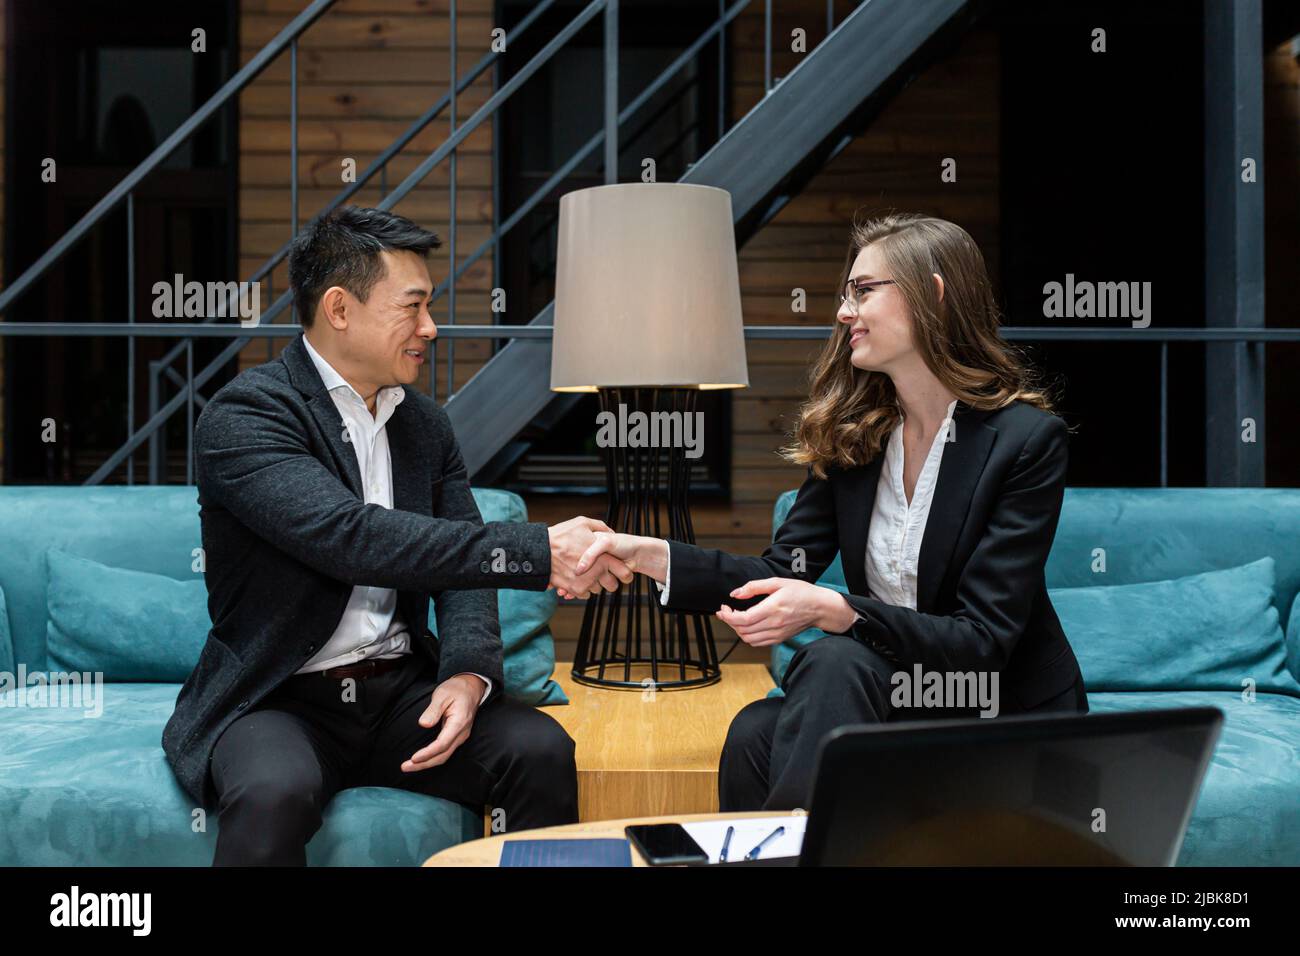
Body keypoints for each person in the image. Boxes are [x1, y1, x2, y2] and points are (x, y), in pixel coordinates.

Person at [568, 212, 1088, 812]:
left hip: (993, 700)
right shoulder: (855, 438)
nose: (844, 312)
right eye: (846, 294)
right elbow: (779, 572)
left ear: (934, 294)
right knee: (752, 734)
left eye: (863, 291)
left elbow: (982, 642)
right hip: (892, 691)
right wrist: (651, 555)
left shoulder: (1026, 442)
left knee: (834, 657)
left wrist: (835, 609)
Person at [161, 206, 631, 865]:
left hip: (397, 690)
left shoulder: (424, 426)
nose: (430, 329)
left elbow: (460, 560)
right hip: (280, 697)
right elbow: (349, 537)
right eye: (412, 308)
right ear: (339, 308)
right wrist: (537, 551)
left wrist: (468, 674)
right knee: (274, 793)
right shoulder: (248, 414)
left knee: (539, 751)